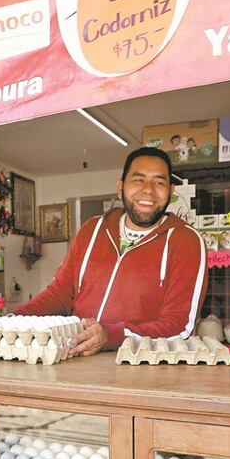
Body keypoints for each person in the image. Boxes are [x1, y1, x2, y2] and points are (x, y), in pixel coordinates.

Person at [17, 147, 207, 356]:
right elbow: (60, 294)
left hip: (140, 370)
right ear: (120, 187)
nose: (148, 190)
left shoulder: (186, 241)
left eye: (159, 182)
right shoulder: (92, 229)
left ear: (171, 192)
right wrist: (15, 319)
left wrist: (110, 335)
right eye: (138, 180)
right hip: (77, 361)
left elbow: (179, 325)